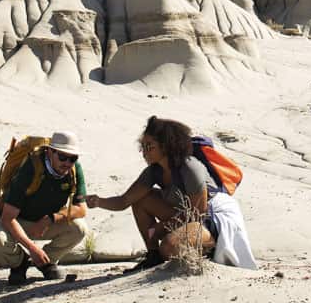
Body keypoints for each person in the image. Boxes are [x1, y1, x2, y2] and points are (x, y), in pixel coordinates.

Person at [86, 116, 257, 271]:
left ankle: (208, 250)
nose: (144, 152)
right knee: (142, 199)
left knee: (170, 246)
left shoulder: (190, 167)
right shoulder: (153, 171)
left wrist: (162, 227)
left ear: (166, 146)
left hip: (213, 218)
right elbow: (124, 201)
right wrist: (99, 201)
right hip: (186, 215)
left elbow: (198, 214)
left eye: (149, 146)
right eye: (142, 146)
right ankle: (153, 256)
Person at [0, 131, 88, 285]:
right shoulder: (31, 167)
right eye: (62, 157)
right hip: (16, 221)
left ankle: (46, 262)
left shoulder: (74, 170)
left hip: (45, 223)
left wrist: (50, 219)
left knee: (79, 229)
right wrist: (32, 248)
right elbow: (8, 218)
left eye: (72, 158)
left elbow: (81, 209)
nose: (67, 163)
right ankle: (19, 264)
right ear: (50, 152)